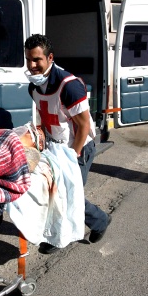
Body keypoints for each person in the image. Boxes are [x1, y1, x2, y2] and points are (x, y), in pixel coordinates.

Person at [24, 34, 111, 253]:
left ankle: (87, 225)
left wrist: (74, 154)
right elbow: (45, 116)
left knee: (67, 194)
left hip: (79, 147)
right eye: (28, 60)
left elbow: (82, 127)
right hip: (56, 146)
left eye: (37, 60)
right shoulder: (34, 87)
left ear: (50, 58)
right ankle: (95, 221)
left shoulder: (69, 86)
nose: (32, 65)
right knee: (56, 191)